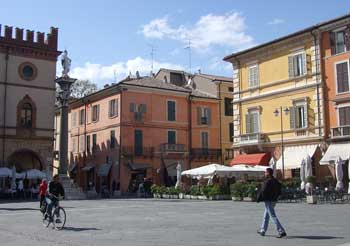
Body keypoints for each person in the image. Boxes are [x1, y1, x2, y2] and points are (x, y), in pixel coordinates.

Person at [257, 168, 286, 238]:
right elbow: (280, 188)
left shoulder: (267, 181)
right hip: (274, 200)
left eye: (265, 172)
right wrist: (277, 196)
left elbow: (263, 190)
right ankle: (263, 230)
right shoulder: (275, 180)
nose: (265, 173)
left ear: (268, 173)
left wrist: (260, 198)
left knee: (272, 216)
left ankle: (281, 231)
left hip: (268, 200)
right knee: (266, 215)